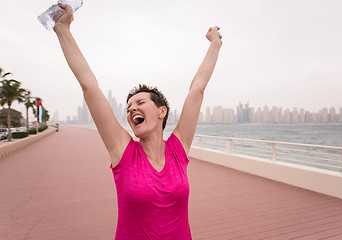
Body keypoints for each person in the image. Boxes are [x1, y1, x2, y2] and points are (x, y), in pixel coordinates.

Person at [53, 4, 222, 240]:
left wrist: (215, 44)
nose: (132, 108)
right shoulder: (124, 151)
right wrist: (63, 29)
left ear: (162, 111)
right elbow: (89, 87)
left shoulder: (178, 149)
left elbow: (197, 90)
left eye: (140, 102)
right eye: (129, 106)